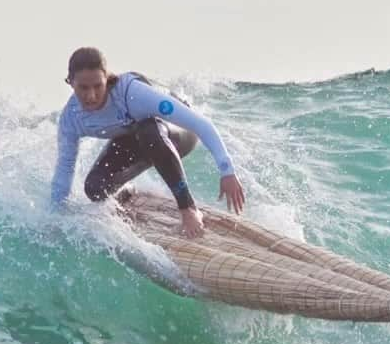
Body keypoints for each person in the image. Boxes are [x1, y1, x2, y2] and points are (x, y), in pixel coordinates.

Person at [50, 47, 245, 237]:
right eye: (83, 88)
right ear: (70, 83)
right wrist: (57, 217)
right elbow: (65, 170)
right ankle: (127, 191)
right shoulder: (71, 119)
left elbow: (200, 124)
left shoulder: (132, 93)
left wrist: (227, 171)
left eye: (97, 86)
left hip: (177, 134)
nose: (91, 95)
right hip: (136, 138)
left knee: (148, 131)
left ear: (107, 79)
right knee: (94, 188)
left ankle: (189, 208)